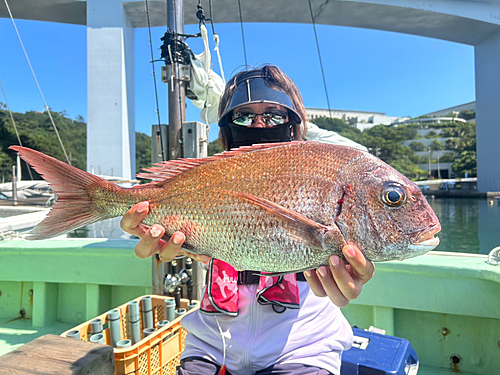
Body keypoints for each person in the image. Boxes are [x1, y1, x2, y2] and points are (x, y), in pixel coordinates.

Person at [120, 65, 375, 375]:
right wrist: (152, 232)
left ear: (294, 127)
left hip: (305, 350)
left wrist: (348, 273)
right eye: (243, 116)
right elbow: (192, 239)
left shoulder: (323, 180)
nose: (258, 124)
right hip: (210, 347)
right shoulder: (208, 179)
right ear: (226, 130)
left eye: (273, 115)